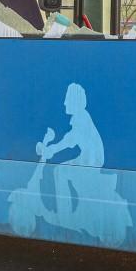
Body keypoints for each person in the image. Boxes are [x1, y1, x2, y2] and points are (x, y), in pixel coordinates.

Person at [41, 83, 104, 222]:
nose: (64, 102)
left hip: (92, 159)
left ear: (75, 101)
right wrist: (53, 148)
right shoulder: (81, 116)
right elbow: (70, 138)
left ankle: (64, 216)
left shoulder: (81, 118)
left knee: (60, 171)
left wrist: (52, 149)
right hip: (90, 156)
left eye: (67, 99)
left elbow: (70, 140)